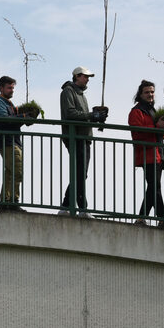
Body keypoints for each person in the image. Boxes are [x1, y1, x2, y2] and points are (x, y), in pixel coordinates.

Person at [58, 66, 108, 216]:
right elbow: (71, 114)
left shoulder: (80, 94)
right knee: (80, 173)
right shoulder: (69, 91)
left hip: (84, 137)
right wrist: (92, 116)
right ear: (77, 76)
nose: (87, 80)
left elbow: (83, 117)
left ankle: (66, 205)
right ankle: (82, 208)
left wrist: (98, 118)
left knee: (80, 173)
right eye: (85, 77)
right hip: (76, 137)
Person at [128, 81, 164, 229]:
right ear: (140, 94)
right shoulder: (137, 111)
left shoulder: (153, 111)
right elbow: (137, 132)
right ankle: (162, 220)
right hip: (148, 154)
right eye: (147, 92)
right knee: (154, 186)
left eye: (152, 92)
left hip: (158, 154)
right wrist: (157, 127)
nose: (150, 95)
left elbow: (160, 136)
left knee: (153, 187)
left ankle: (141, 218)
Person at [0, 76, 27, 212]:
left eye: (13, 88)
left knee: (10, 172)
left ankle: (5, 201)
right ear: (1, 88)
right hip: (8, 142)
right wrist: (22, 117)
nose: (12, 90)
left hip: (14, 141)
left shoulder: (10, 104)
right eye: (9, 87)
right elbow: (3, 119)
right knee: (17, 172)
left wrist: (24, 117)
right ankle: (13, 201)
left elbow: (13, 120)